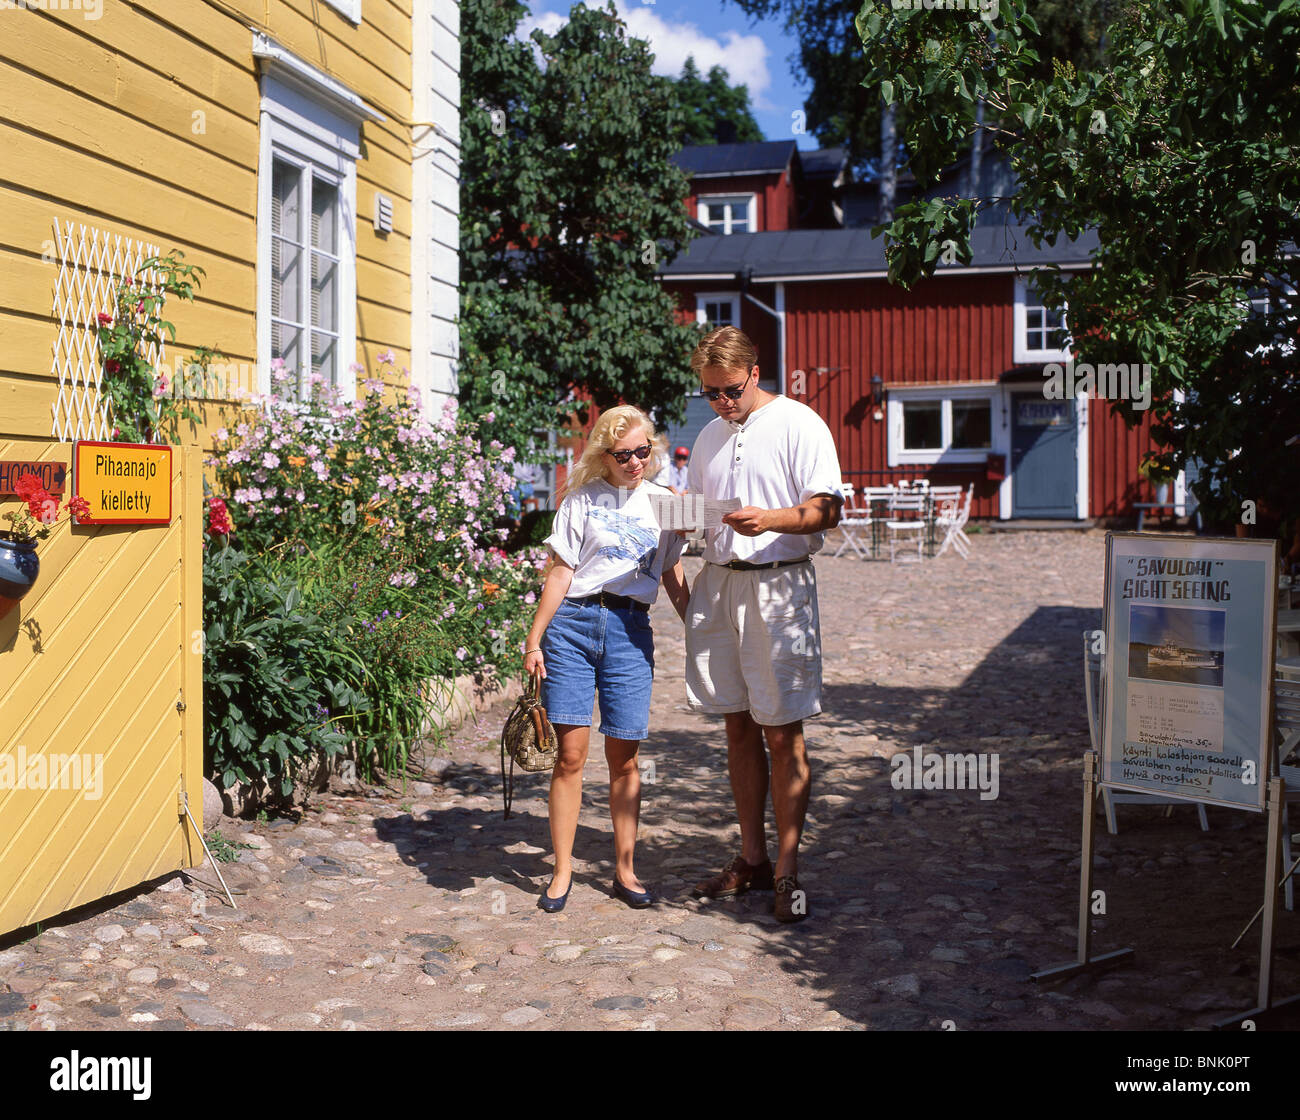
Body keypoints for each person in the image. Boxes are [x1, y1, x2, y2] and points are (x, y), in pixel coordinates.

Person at [684, 326, 843, 923]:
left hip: (779, 583)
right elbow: (698, 510)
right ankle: (751, 857)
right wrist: (677, 516)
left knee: (783, 731)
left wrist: (771, 519)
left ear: (755, 373)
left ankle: (788, 869)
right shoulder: (707, 435)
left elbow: (830, 508)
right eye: (710, 393)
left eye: (730, 390)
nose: (722, 402)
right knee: (737, 726)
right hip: (720, 582)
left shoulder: (801, 423)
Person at [523, 406, 690, 912]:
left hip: (629, 630)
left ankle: (625, 869)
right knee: (570, 756)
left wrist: (702, 630)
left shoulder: (668, 504)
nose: (636, 462)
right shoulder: (580, 501)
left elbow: (673, 575)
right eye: (625, 455)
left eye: (644, 451)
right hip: (572, 627)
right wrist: (533, 640)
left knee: (626, 758)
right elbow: (559, 573)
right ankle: (562, 870)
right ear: (605, 455)